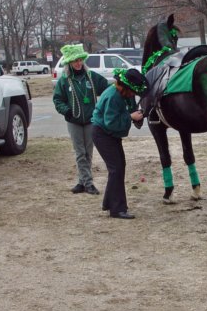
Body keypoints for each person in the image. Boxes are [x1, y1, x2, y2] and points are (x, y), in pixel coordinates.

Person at [91, 68, 148, 219]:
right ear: (124, 87)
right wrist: (130, 117)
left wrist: (139, 115)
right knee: (116, 168)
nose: (133, 95)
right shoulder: (113, 96)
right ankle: (117, 209)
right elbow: (111, 123)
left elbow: (132, 109)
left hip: (110, 134)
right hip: (102, 134)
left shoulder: (124, 94)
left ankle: (109, 203)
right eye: (132, 92)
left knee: (118, 167)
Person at [53, 44, 109, 195]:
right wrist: (67, 111)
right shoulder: (64, 80)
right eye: (74, 61)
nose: (78, 63)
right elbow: (58, 99)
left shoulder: (91, 77)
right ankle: (88, 183)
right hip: (74, 121)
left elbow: (107, 89)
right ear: (69, 63)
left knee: (88, 152)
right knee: (80, 152)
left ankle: (82, 181)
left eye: (80, 60)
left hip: (91, 121)